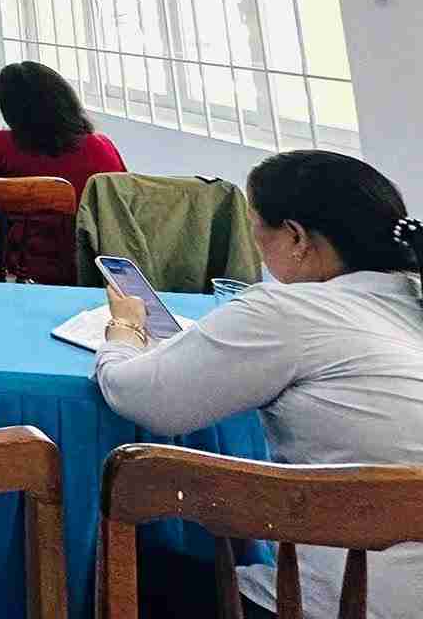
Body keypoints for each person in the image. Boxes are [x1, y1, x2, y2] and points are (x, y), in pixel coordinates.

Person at [95, 150, 423, 619]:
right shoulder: (410, 297)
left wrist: (123, 333)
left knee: (128, 561)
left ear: (296, 237)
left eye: (256, 228)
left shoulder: (291, 312)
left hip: (345, 603)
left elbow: (143, 396)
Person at [0, 60, 126, 200]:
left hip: (27, 235)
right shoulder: (102, 145)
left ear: (11, 109)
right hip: (94, 235)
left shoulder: (0, 145)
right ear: (66, 97)